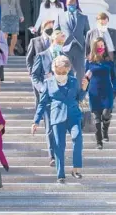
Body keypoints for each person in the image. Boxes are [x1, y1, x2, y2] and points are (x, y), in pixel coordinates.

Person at [32, 55, 89, 184]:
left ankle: (76, 169)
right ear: (54, 69)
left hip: (74, 115)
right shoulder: (48, 83)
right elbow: (42, 103)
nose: (61, 74)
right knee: (59, 145)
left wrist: (85, 89)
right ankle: (60, 174)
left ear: (68, 70)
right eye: (59, 71)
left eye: (64, 72)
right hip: (57, 117)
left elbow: (79, 98)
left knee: (77, 137)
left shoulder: (73, 81)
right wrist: (36, 121)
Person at [31, 30, 73, 166]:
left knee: (61, 127)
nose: (61, 44)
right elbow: (34, 76)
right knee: (50, 127)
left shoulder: (65, 57)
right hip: (47, 97)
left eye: (62, 42)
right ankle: (53, 156)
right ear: (53, 40)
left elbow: (70, 75)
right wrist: (43, 88)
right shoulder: (41, 56)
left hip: (62, 98)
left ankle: (59, 152)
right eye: (59, 41)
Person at [85, 37, 116, 150]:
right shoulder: (89, 61)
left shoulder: (109, 61)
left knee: (106, 114)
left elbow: (114, 78)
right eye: (99, 45)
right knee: (97, 118)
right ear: (94, 47)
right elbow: (86, 77)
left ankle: (105, 131)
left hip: (107, 91)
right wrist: (84, 91)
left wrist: (114, 90)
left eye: (102, 45)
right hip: (94, 92)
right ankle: (99, 141)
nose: (101, 47)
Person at [54, 0, 90, 86]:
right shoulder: (60, 16)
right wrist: (56, 47)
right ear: (66, 5)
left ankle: (79, 94)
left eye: (73, 4)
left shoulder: (83, 17)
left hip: (79, 48)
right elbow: (55, 33)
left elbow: (88, 35)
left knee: (80, 73)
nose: (71, 6)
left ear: (76, 4)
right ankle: (67, 92)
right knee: (65, 71)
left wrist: (88, 51)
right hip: (65, 49)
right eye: (69, 4)